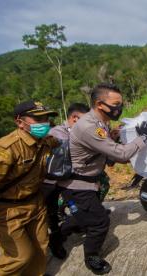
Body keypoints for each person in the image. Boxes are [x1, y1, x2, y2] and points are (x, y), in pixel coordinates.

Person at [68, 83, 147, 274]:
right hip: (78, 183)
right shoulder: (89, 126)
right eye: (116, 104)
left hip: (92, 179)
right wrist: (143, 137)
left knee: (84, 217)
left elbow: (105, 148)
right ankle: (91, 256)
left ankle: (60, 234)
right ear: (100, 104)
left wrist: (114, 137)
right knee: (99, 222)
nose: (119, 108)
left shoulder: (102, 122)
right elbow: (122, 155)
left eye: (121, 103)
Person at [0, 100, 59, 275]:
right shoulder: (5, 149)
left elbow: (65, 140)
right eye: (37, 119)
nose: (44, 123)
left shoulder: (46, 141)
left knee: (40, 249)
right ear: (19, 122)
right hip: (7, 210)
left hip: (35, 204)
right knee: (20, 256)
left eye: (46, 118)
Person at [41, 102, 90, 259]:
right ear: (75, 118)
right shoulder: (57, 132)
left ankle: (72, 226)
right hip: (49, 183)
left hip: (67, 181)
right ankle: (55, 240)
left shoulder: (74, 131)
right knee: (51, 213)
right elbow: (70, 148)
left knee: (80, 211)